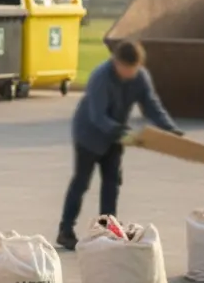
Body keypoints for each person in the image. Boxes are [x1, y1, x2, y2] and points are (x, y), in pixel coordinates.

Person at [57, 40, 181, 249]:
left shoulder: (140, 76)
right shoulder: (101, 77)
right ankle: (65, 230)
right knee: (81, 182)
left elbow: (151, 105)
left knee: (112, 183)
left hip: (115, 137)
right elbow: (98, 116)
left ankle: (108, 230)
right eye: (127, 68)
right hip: (88, 134)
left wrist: (170, 129)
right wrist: (124, 133)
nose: (131, 73)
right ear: (117, 63)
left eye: (134, 68)